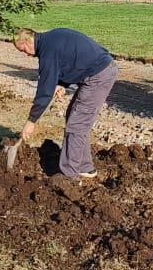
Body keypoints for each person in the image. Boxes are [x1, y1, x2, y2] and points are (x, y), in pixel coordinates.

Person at [14, 27, 118, 179]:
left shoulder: (47, 51)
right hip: (99, 70)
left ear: (28, 41)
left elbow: (45, 90)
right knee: (74, 118)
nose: (25, 54)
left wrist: (31, 120)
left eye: (23, 50)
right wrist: (62, 83)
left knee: (76, 125)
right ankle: (85, 167)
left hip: (99, 75)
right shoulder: (50, 40)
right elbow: (70, 59)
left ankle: (69, 177)